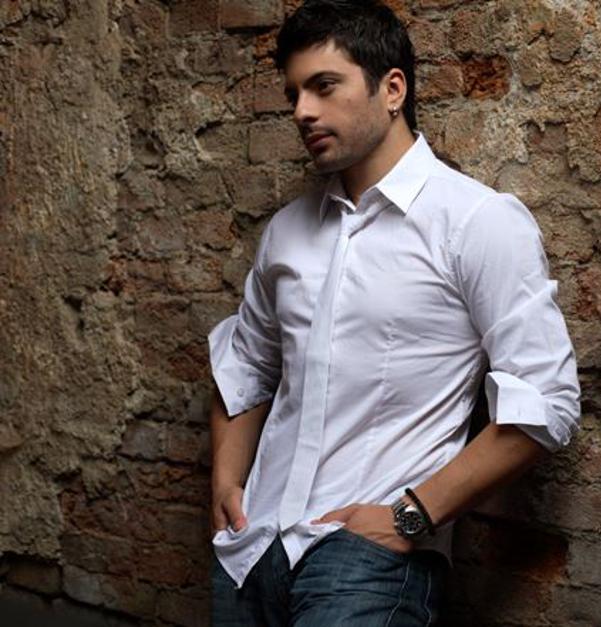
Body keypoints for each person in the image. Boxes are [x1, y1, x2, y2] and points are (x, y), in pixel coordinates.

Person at [207, 1, 581, 624]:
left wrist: (412, 516)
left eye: (324, 86)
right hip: (251, 550)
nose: (302, 111)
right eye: (294, 93)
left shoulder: (476, 222)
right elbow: (245, 365)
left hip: (366, 561)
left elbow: (547, 401)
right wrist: (226, 484)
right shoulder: (287, 231)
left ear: (393, 90)